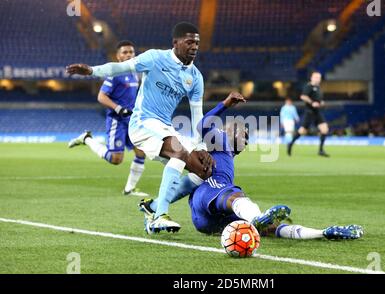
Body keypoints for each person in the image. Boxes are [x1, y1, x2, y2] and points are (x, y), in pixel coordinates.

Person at [139, 95, 363, 240]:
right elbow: (203, 124)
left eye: (247, 137)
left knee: (266, 231)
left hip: (209, 219)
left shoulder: (226, 153)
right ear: (227, 130)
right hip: (208, 197)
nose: (245, 139)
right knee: (232, 192)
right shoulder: (219, 140)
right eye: (242, 133)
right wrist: (224, 105)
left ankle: (323, 233)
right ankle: (257, 216)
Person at [66, 22, 216, 233]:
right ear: (176, 42)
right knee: (179, 152)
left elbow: (197, 115)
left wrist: (200, 145)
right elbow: (119, 68)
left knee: (203, 171)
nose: (194, 46)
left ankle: (151, 207)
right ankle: (159, 215)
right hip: (142, 123)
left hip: (164, 127)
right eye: (189, 41)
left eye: (197, 43)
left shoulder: (196, 77)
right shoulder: (155, 58)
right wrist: (92, 70)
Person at [68, 40, 148, 197]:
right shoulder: (115, 74)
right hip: (117, 120)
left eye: (131, 52)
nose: (128, 55)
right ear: (118, 57)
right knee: (116, 159)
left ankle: (129, 189)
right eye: (125, 52)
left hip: (131, 120)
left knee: (141, 152)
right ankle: (86, 139)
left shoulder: (135, 74)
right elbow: (101, 96)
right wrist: (119, 108)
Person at [287, 71, 330, 157]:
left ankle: (320, 150)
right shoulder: (309, 86)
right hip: (309, 112)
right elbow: (303, 96)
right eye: (316, 77)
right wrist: (312, 102)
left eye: (319, 78)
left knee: (325, 129)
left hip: (317, 112)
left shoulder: (318, 87)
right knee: (302, 131)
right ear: (312, 78)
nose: (318, 79)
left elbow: (318, 99)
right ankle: (290, 143)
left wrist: (321, 102)